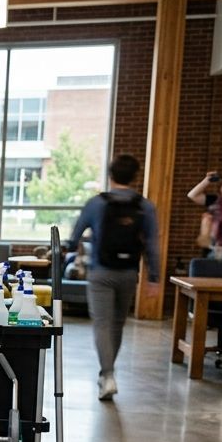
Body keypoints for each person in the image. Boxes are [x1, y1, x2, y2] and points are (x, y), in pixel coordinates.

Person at [70, 154, 160, 401]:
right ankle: (108, 373)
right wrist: (154, 277)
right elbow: (152, 244)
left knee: (102, 324)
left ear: (111, 176)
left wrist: (67, 252)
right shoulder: (145, 206)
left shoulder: (96, 204)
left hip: (101, 271)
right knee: (117, 323)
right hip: (129, 273)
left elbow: (75, 235)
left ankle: (107, 375)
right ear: (135, 177)